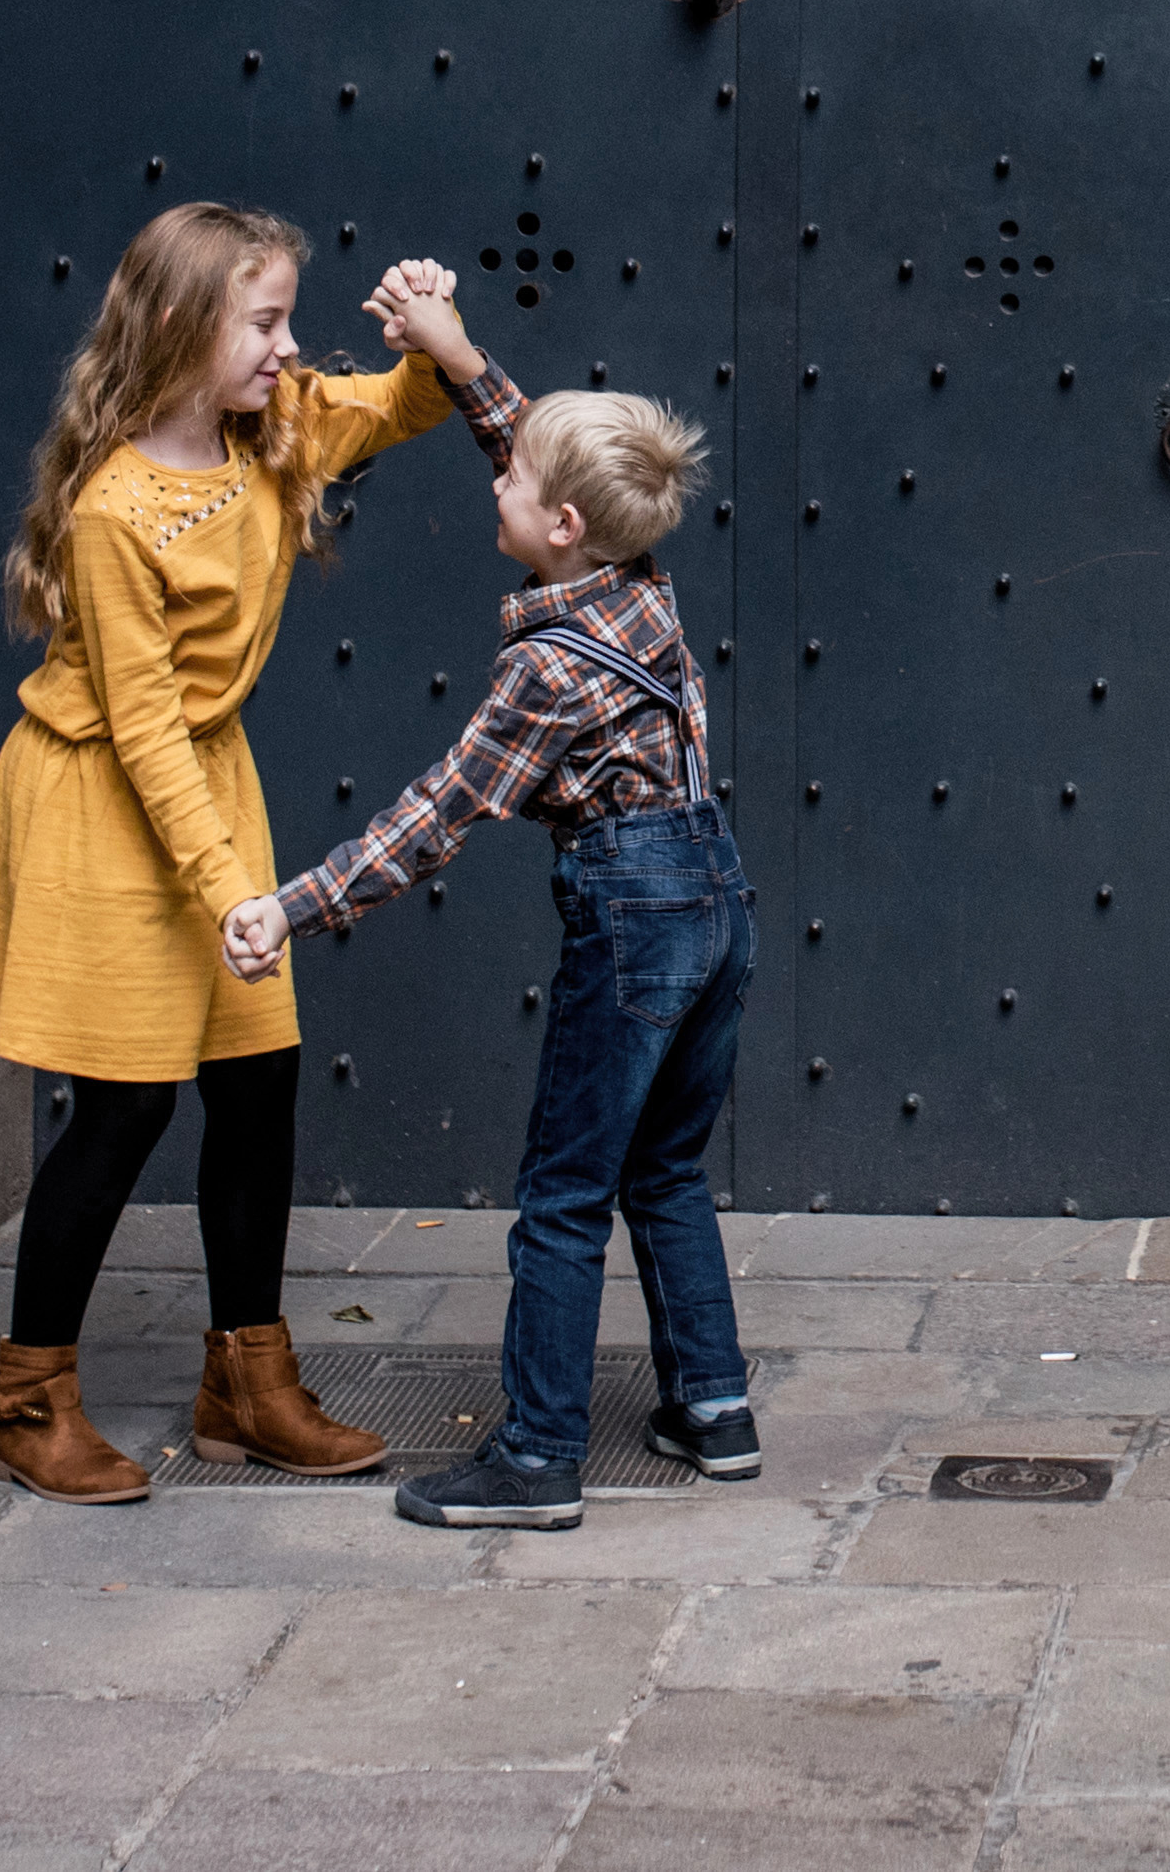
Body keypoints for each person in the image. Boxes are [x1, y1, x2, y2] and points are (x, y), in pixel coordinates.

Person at [0, 204, 509, 1501]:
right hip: (106, 802)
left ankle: (244, 1385)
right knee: (126, 1100)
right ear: (172, 329)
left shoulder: (277, 430)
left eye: (286, 319)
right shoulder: (113, 511)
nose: (286, 344)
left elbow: (398, 405)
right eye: (260, 321)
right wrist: (234, 899)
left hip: (206, 785)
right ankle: (24, 1395)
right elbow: (140, 730)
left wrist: (435, 339)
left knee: (256, 1082)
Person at [230, 378, 753, 1533]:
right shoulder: (640, 587)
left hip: (633, 912)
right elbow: (548, 462)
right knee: (664, 1165)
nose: (496, 476)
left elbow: (438, 815)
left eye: (510, 476)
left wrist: (293, 906)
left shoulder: (545, 669)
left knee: (563, 1193)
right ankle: (713, 1405)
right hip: (717, 897)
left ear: (562, 526)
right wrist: (461, 362)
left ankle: (535, 1456)